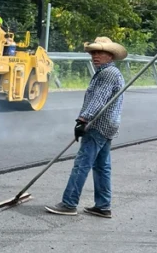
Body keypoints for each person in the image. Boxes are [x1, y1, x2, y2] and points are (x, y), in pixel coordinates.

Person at [45, 37, 128, 217]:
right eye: (93, 52)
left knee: (82, 164)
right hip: (109, 125)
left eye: (100, 52)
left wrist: (83, 120)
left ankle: (69, 203)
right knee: (102, 166)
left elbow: (99, 99)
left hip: (98, 125)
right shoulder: (109, 72)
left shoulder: (108, 74)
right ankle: (103, 206)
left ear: (110, 55)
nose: (95, 56)